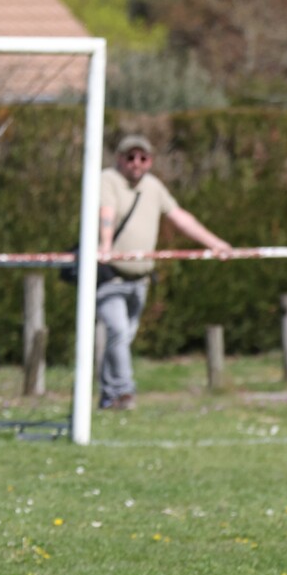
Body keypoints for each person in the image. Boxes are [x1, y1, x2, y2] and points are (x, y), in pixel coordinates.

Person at [96, 134, 234, 410]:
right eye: (130, 157)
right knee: (118, 332)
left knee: (121, 339)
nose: (136, 163)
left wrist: (215, 244)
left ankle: (109, 396)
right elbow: (106, 212)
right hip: (110, 276)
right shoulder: (107, 179)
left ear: (150, 161)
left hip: (140, 280)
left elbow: (180, 218)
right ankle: (125, 393)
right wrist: (106, 245)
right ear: (120, 159)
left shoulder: (153, 186)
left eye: (143, 158)